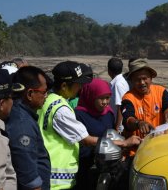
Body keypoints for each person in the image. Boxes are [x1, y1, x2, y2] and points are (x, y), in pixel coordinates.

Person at [37, 61, 140, 190]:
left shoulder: (49, 100)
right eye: (77, 84)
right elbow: (86, 140)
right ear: (64, 86)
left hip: (48, 171)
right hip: (58, 178)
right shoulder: (62, 109)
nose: (80, 88)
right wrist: (124, 143)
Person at [75, 78, 142, 190]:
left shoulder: (108, 113)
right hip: (85, 166)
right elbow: (86, 140)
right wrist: (124, 143)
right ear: (90, 96)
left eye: (107, 97)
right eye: (100, 98)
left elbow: (111, 134)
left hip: (107, 166)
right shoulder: (78, 115)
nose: (105, 102)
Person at [6, 66, 51, 190]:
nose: (46, 96)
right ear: (30, 94)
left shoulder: (23, 115)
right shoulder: (22, 124)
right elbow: (28, 174)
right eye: (44, 92)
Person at [121, 58, 168, 143]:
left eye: (145, 78)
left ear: (151, 77)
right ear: (132, 81)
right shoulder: (128, 98)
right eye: (137, 80)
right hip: (137, 149)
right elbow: (128, 119)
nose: (142, 82)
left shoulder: (161, 91)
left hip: (160, 142)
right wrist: (139, 123)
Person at [107, 57, 129, 132]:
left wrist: (117, 127)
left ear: (109, 71)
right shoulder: (120, 81)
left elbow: (120, 106)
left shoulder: (117, 84)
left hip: (119, 126)